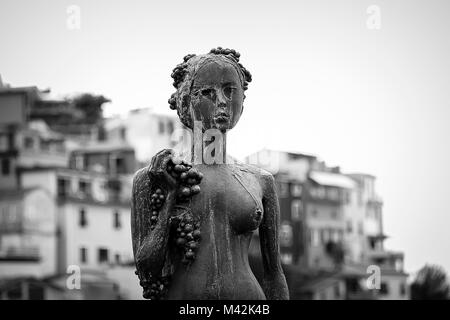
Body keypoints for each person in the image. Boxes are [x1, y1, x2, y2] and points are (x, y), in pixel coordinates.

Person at [131, 48, 289, 300]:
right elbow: (146, 268)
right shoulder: (154, 177)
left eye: (230, 91)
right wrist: (170, 195)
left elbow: (274, 274)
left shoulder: (260, 181)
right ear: (185, 102)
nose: (222, 101)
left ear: (242, 103)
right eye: (207, 92)